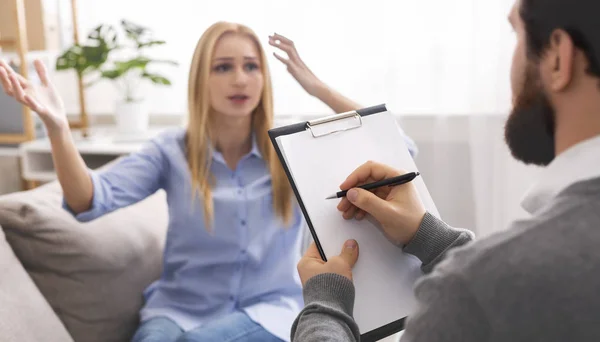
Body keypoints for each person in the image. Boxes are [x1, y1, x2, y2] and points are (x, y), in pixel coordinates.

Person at [0, 22, 417, 342]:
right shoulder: (170, 151)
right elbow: (88, 200)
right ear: (203, 78)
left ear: (263, 79)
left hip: (267, 311)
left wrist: (315, 87)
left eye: (251, 66)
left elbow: (399, 152)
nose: (240, 78)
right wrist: (57, 127)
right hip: (176, 309)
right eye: (224, 67)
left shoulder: (288, 149)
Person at [292, 0, 600, 341]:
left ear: (558, 58)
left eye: (516, 34)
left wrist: (324, 302)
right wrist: (433, 239)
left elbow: (495, 287)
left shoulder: (472, 292)